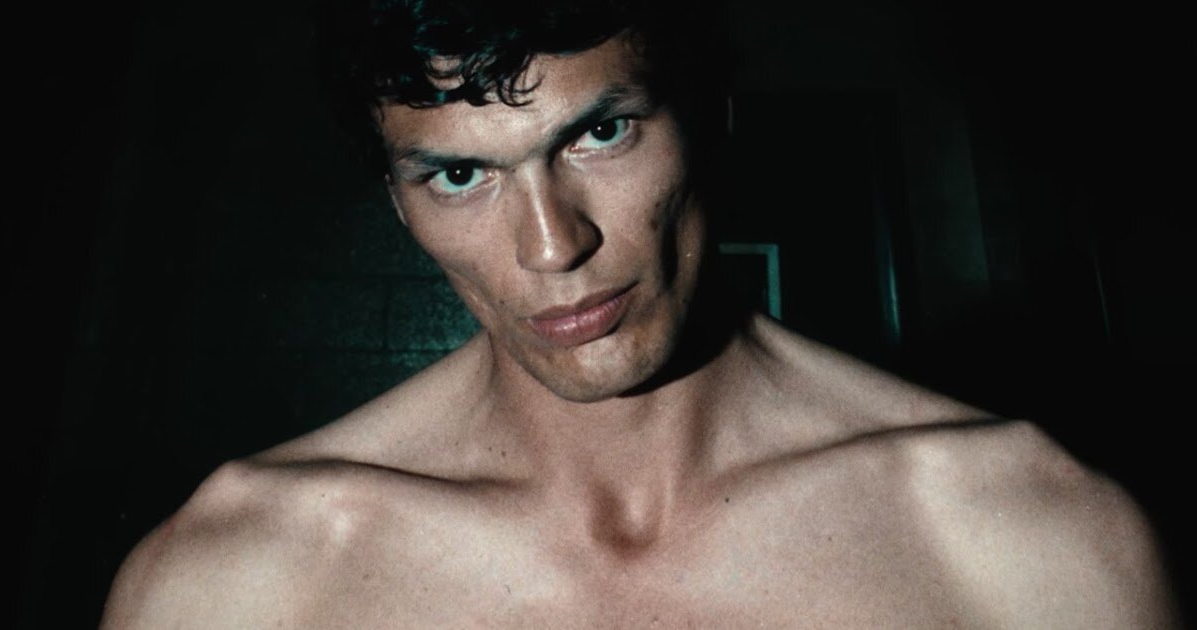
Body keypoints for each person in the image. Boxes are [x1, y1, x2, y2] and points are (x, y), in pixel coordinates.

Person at [101, 1, 1177, 627]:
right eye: (459, 176)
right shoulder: (236, 584)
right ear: (397, 199)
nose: (551, 245)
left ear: (709, 118)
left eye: (599, 134)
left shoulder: (1030, 546)